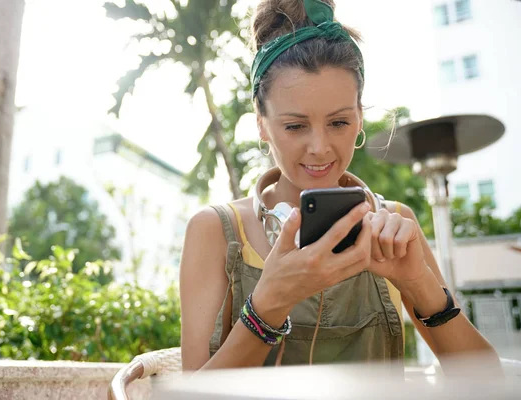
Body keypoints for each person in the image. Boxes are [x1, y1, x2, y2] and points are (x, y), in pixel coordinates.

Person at [179, 0, 499, 373]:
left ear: (360, 117)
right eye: (295, 126)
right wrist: (266, 307)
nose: (319, 147)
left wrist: (418, 284)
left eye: (339, 123)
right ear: (261, 124)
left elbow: (485, 380)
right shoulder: (216, 230)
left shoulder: (395, 223)